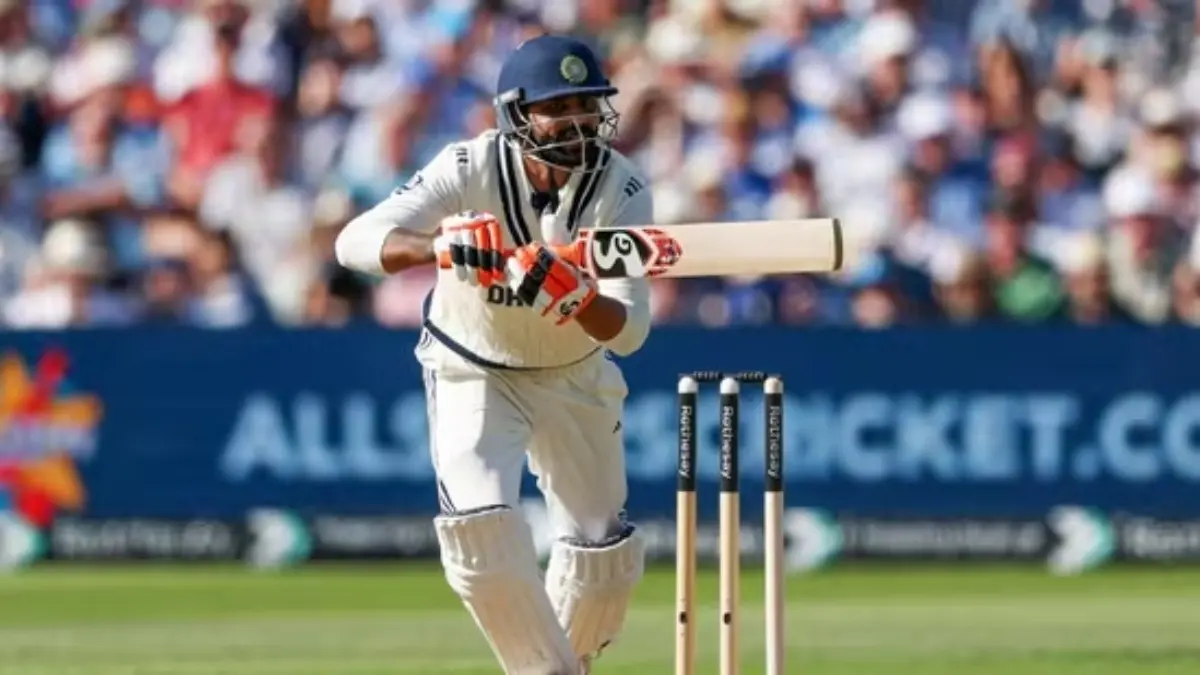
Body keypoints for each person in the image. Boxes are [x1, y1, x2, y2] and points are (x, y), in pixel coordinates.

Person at [334, 35, 650, 674]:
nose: (579, 122)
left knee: (602, 556)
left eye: (589, 106)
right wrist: (440, 246)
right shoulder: (468, 166)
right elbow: (354, 241)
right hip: (471, 366)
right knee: (480, 527)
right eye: (559, 108)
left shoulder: (622, 186)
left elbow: (629, 329)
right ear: (518, 115)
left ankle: (567, 663)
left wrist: (579, 299)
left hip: (573, 372)